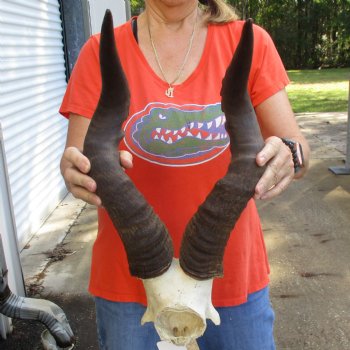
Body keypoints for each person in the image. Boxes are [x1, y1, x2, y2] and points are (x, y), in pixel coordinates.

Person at [59, 0, 310, 349]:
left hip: (231, 275)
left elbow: (296, 147)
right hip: (129, 279)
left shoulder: (248, 42)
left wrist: (290, 154)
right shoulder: (101, 51)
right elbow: (82, 155)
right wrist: (76, 171)